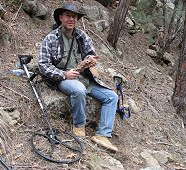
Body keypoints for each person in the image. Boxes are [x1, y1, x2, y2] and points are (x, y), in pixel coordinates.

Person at [38, 2, 118, 152]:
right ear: (61, 17)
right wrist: (63, 74)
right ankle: (79, 125)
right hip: (64, 79)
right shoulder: (51, 38)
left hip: (84, 78)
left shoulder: (82, 36)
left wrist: (91, 60)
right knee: (79, 90)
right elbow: (43, 65)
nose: (71, 19)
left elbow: (90, 52)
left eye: (74, 17)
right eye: (68, 16)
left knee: (112, 97)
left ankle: (103, 134)